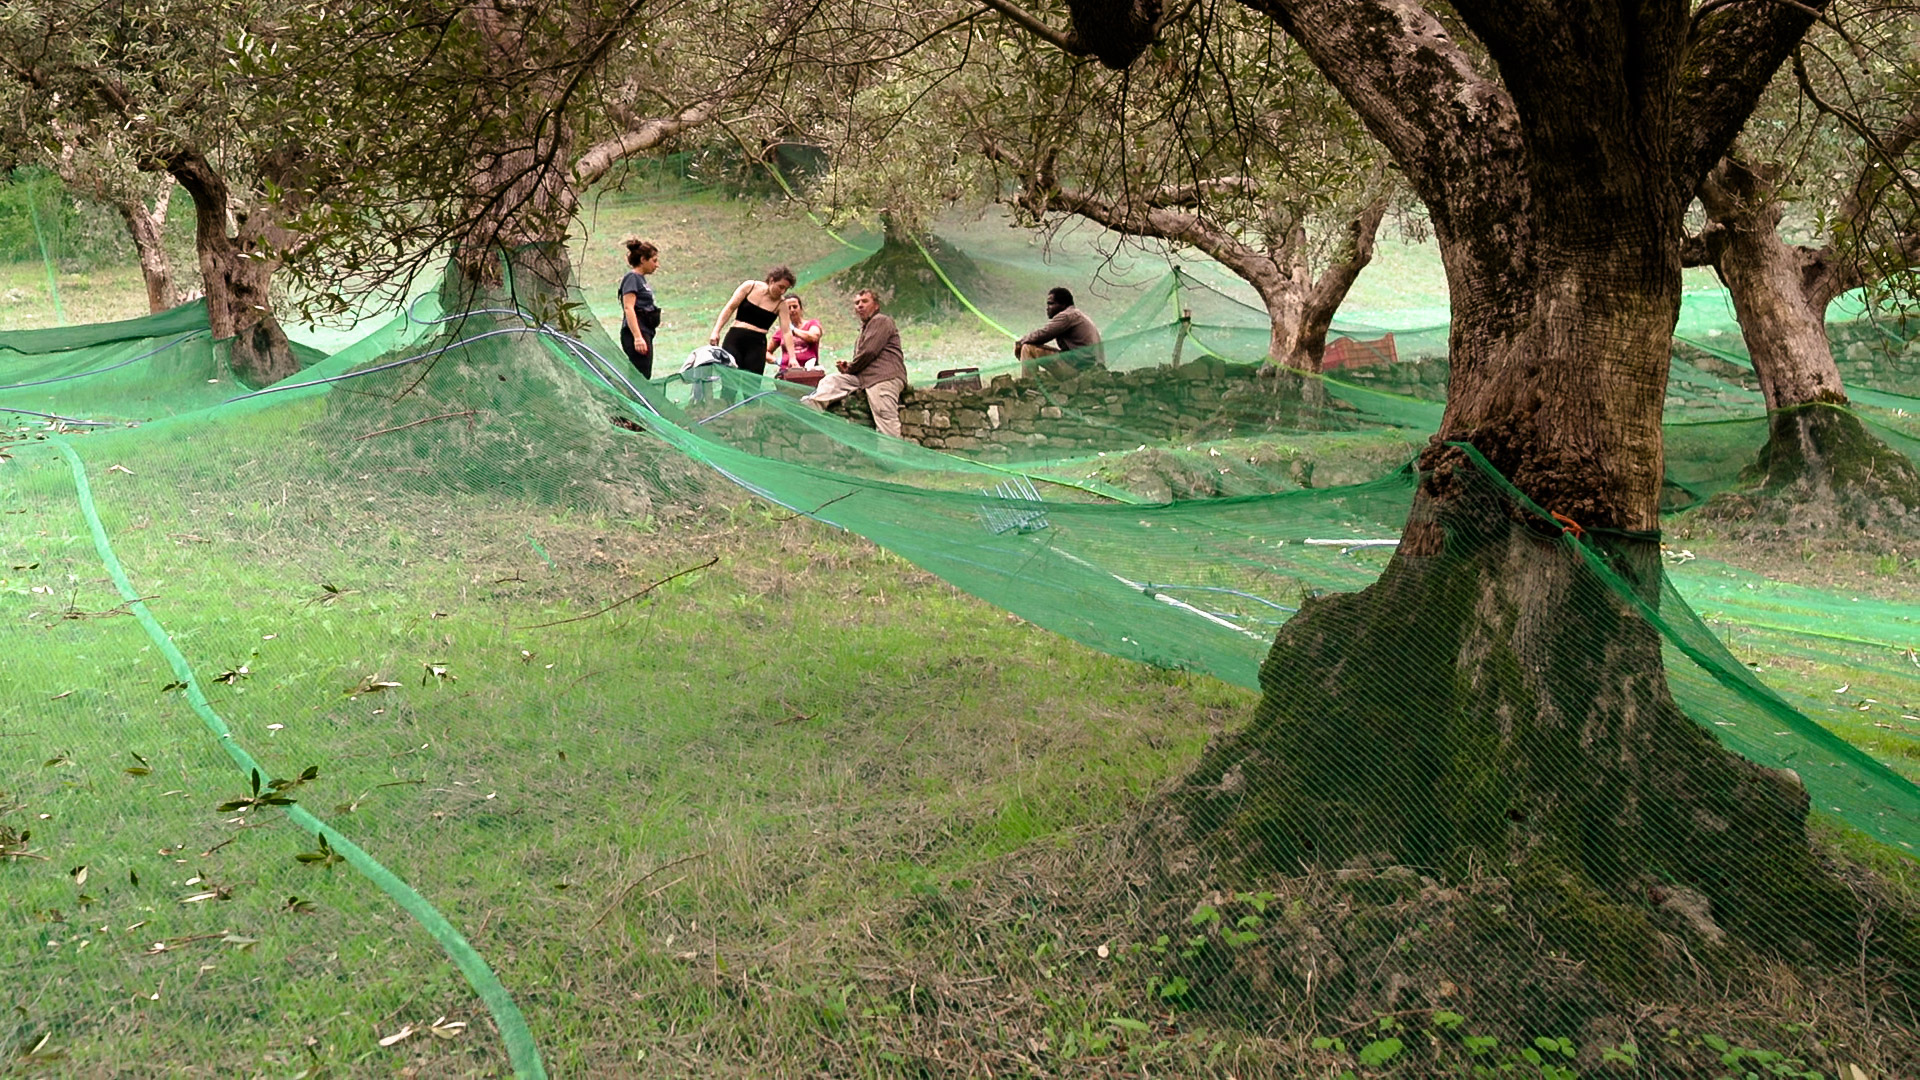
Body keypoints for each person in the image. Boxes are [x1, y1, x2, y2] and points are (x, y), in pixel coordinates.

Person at [803, 289, 908, 437]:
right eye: (857, 302)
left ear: (876, 305)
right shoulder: (865, 329)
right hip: (863, 378)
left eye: (865, 301)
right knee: (833, 380)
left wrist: (851, 367)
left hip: (883, 378)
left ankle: (891, 458)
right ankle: (809, 408)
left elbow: (869, 352)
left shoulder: (881, 321)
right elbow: (865, 355)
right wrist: (849, 368)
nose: (860, 305)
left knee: (885, 420)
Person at [709, 266, 795, 401]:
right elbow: (730, 307)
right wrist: (716, 331)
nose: (782, 291)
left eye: (786, 289)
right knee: (730, 381)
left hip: (757, 344)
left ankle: (750, 417)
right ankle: (725, 415)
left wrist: (793, 358)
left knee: (752, 385)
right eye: (780, 286)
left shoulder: (781, 304)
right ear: (772, 280)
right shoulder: (750, 286)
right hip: (735, 338)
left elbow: (786, 331)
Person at [1014, 286, 1104, 376]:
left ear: (1063, 305)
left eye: (1051, 304)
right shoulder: (1077, 315)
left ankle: (1029, 384)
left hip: (1079, 368)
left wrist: (1021, 342)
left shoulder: (1067, 315)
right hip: (1088, 366)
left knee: (1027, 348)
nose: (1047, 308)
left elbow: (1043, 334)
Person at [618, 237, 661, 380]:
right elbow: (629, 308)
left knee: (644, 374)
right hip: (636, 333)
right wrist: (637, 337)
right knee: (640, 376)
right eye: (654, 261)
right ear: (643, 259)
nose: (657, 265)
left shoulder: (641, 279)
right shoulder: (632, 278)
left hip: (646, 331)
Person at [767, 294, 823, 373]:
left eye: (795, 307)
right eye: (788, 308)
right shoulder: (781, 332)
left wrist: (793, 330)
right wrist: (777, 361)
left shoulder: (812, 324)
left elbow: (814, 337)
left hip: (810, 371)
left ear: (801, 308)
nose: (792, 310)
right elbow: (766, 351)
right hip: (787, 371)